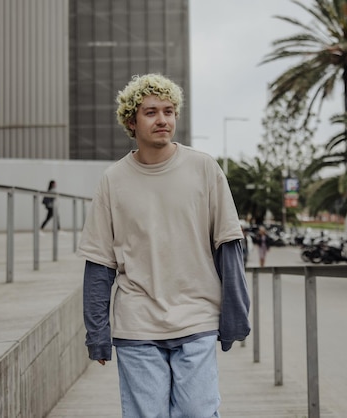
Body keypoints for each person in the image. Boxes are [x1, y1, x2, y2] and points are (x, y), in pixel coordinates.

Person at [77, 73, 250, 418]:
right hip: (137, 319)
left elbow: (228, 246)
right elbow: (100, 264)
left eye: (169, 111)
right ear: (131, 120)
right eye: (151, 112)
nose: (163, 120)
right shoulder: (113, 180)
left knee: (198, 412)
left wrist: (236, 316)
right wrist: (97, 332)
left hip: (196, 315)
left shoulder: (204, 168)